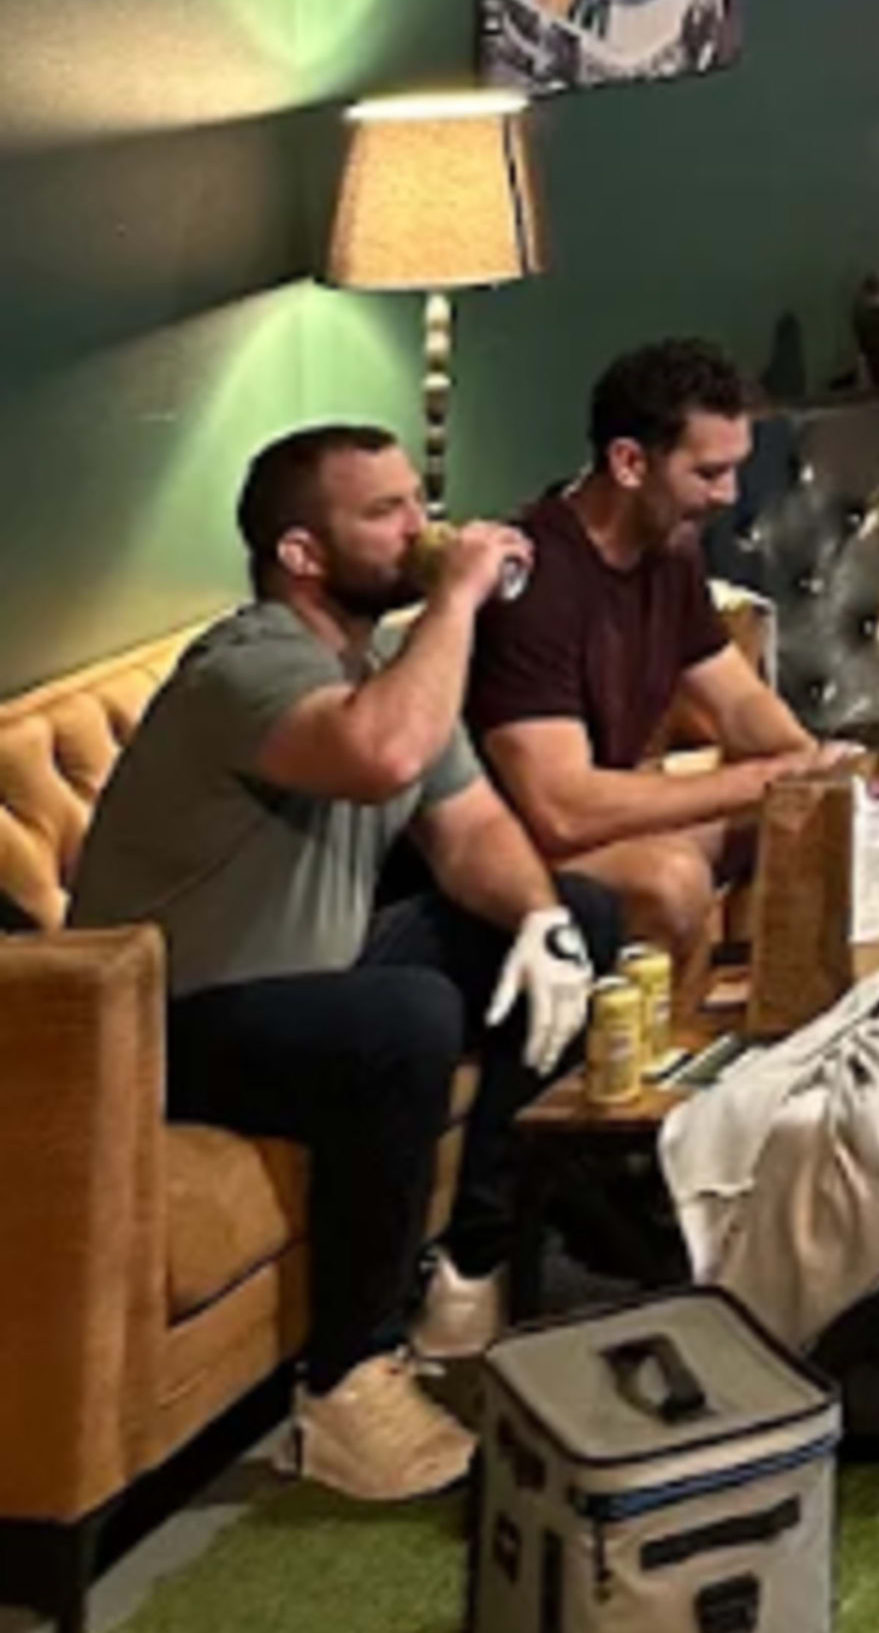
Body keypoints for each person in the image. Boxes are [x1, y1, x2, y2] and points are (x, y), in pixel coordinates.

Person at [65, 428, 624, 1502]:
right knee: (401, 1017)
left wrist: (545, 925)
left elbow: (471, 832)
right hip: (164, 1019)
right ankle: (344, 1383)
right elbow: (379, 757)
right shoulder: (251, 660)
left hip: (311, 978)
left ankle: (471, 1264)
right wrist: (458, 597)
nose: (422, 528)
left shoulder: (383, 668)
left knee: (578, 910)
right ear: (302, 554)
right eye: (386, 512)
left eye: (422, 501)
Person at [469, 337, 849, 982]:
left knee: (825, 823)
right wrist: (770, 779)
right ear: (628, 463)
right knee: (671, 880)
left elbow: (736, 700)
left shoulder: (670, 548)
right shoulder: (534, 581)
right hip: (508, 856)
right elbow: (562, 810)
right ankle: (664, 1067)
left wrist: (814, 769)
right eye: (707, 473)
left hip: (593, 828)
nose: (730, 494)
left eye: (735, 469)